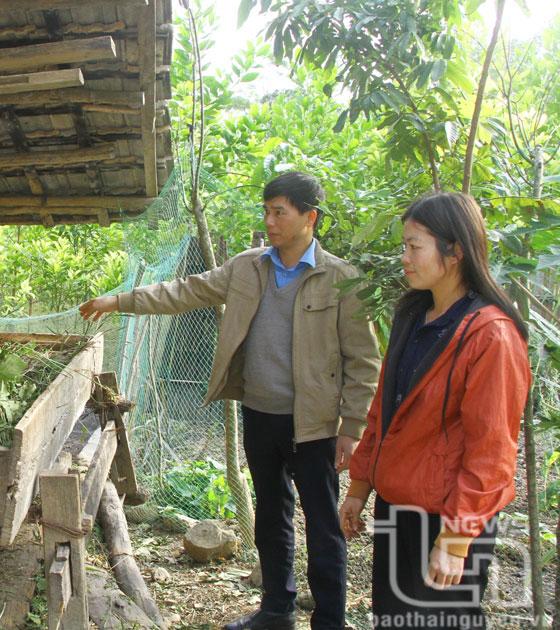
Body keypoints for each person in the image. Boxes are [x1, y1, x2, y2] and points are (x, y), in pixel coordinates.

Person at [80, 171, 381, 630]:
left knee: (322, 526)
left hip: (315, 425)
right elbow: (185, 291)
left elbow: (365, 362)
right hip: (259, 414)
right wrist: (118, 301)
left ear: (310, 217)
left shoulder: (341, 280)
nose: (270, 221)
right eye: (267, 211)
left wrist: (352, 429)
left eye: (280, 212)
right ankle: (277, 610)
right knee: (270, 515)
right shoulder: (248, 266)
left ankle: (330, 620)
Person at [338, 192, 531, 630]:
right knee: (394, 619)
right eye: (403, 245)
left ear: (455, 251)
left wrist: (456, 540)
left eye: (414, 246)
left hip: (446, 517)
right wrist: (360, 487)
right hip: (396, 506)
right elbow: (385, 413)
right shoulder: (415, 314)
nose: (403, 257)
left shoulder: (490, 335)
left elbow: (492, 453)